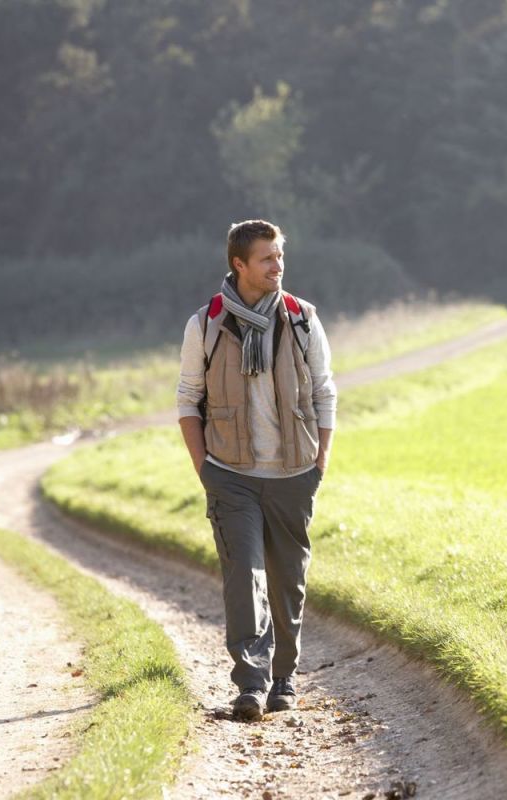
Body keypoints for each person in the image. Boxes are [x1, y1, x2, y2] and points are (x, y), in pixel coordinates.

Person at [176, 219, 337, 721]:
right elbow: (188, 400)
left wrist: (321, 459)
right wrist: (206, 469)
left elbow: (324, 391)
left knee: (288, 582)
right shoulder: (205, 324)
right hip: (231, 474)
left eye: (280, 256)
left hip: (293, 474)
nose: (278, 266)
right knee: (244, 577)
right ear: (239, 264)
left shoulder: (302, 318)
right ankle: (250, 683)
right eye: (267, 258)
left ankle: (284, 679)